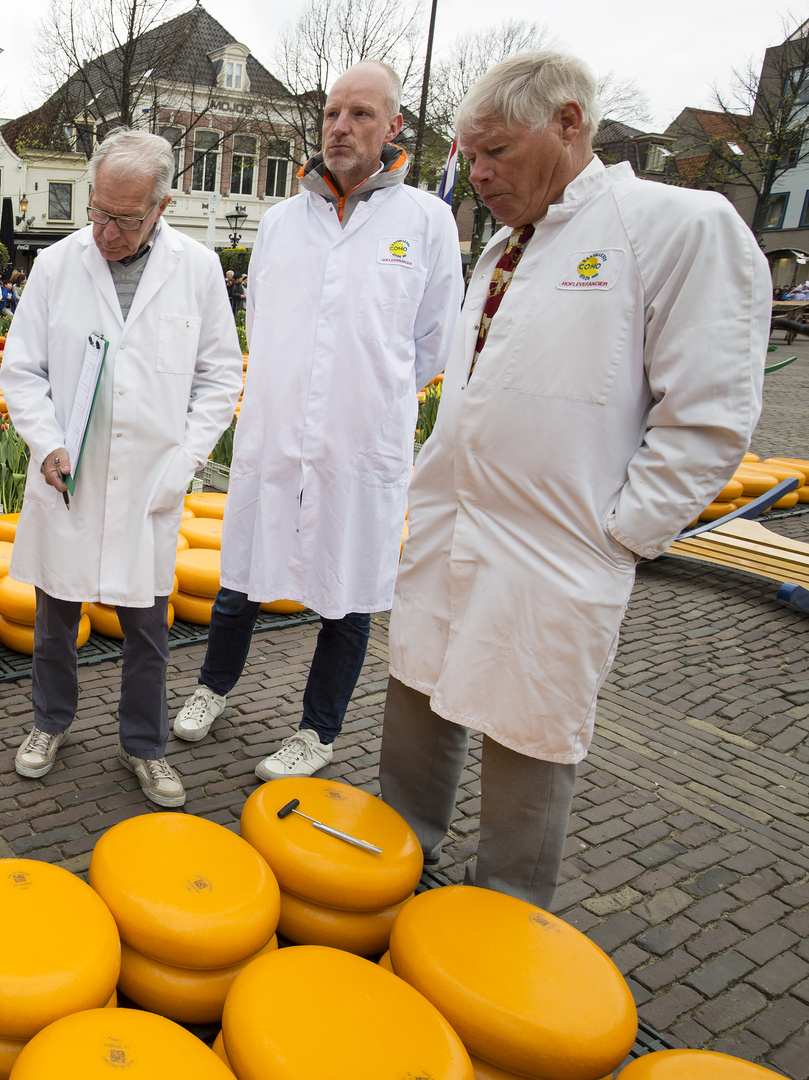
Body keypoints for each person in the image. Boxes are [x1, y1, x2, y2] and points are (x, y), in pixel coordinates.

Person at [380, 52, 767, 907]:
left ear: (566, 123)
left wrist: (622, 533)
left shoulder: (673, 226)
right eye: (468, 156)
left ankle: (502, 920)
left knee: (526, 734)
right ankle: (390, 873)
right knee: (417, 696)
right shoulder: (506, 249)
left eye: (495, 153)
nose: (477, 174)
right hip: (452, 527)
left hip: (555, 553)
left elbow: (709, 411)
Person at [172, 62, 464, 782]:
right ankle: (213, 686)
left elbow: (433, 341)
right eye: (333, 113)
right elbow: (262, 322)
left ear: (393, 126)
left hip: (360, 442)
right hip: (276, 433)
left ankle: (316, 730)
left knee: (349, 590)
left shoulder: (424, 221)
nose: (340, 127)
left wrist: (363, 394)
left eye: (360, 114)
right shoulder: (279, 222)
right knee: (240, 575)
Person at [0, 130, 240, 805]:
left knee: (147, 630)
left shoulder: (195, 269)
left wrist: (186, 459)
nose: (105, 231)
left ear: (163, 205)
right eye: (97, 212)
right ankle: (49, 721)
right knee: (54, 619)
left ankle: (144, 745)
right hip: (67, 476)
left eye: (125, 219)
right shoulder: (54, 265)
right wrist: (46, 441)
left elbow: (219, 378)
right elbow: (22, 370)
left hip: (149, 481)